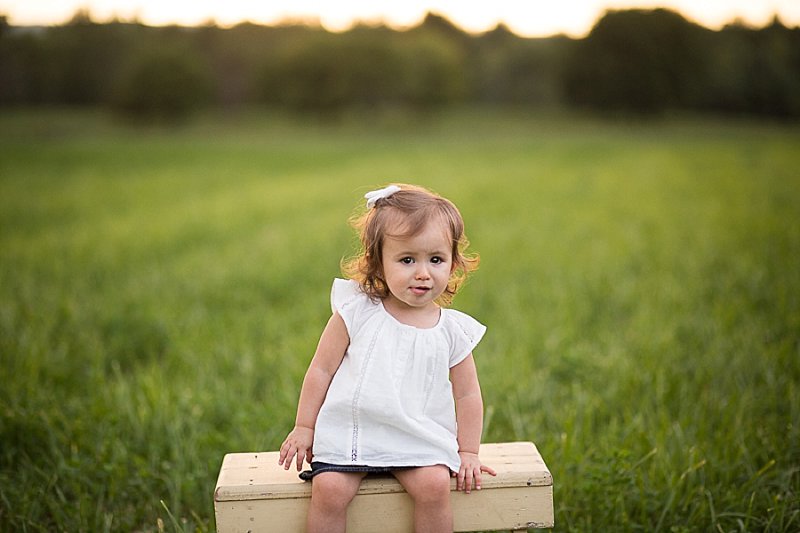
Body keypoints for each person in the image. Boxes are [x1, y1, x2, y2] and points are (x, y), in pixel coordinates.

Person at [279, 184, 495, 533]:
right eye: (407, 260)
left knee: (434, 486)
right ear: (378, 263)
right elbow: (321, 369)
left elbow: (468, 394)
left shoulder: (452, 330)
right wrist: (305, 427)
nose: (423, 272)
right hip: (355, 431)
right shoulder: (357, 313)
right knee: (330, 489)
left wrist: (468, 450)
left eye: (436, 260)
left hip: (417, 434)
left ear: (453, 264)